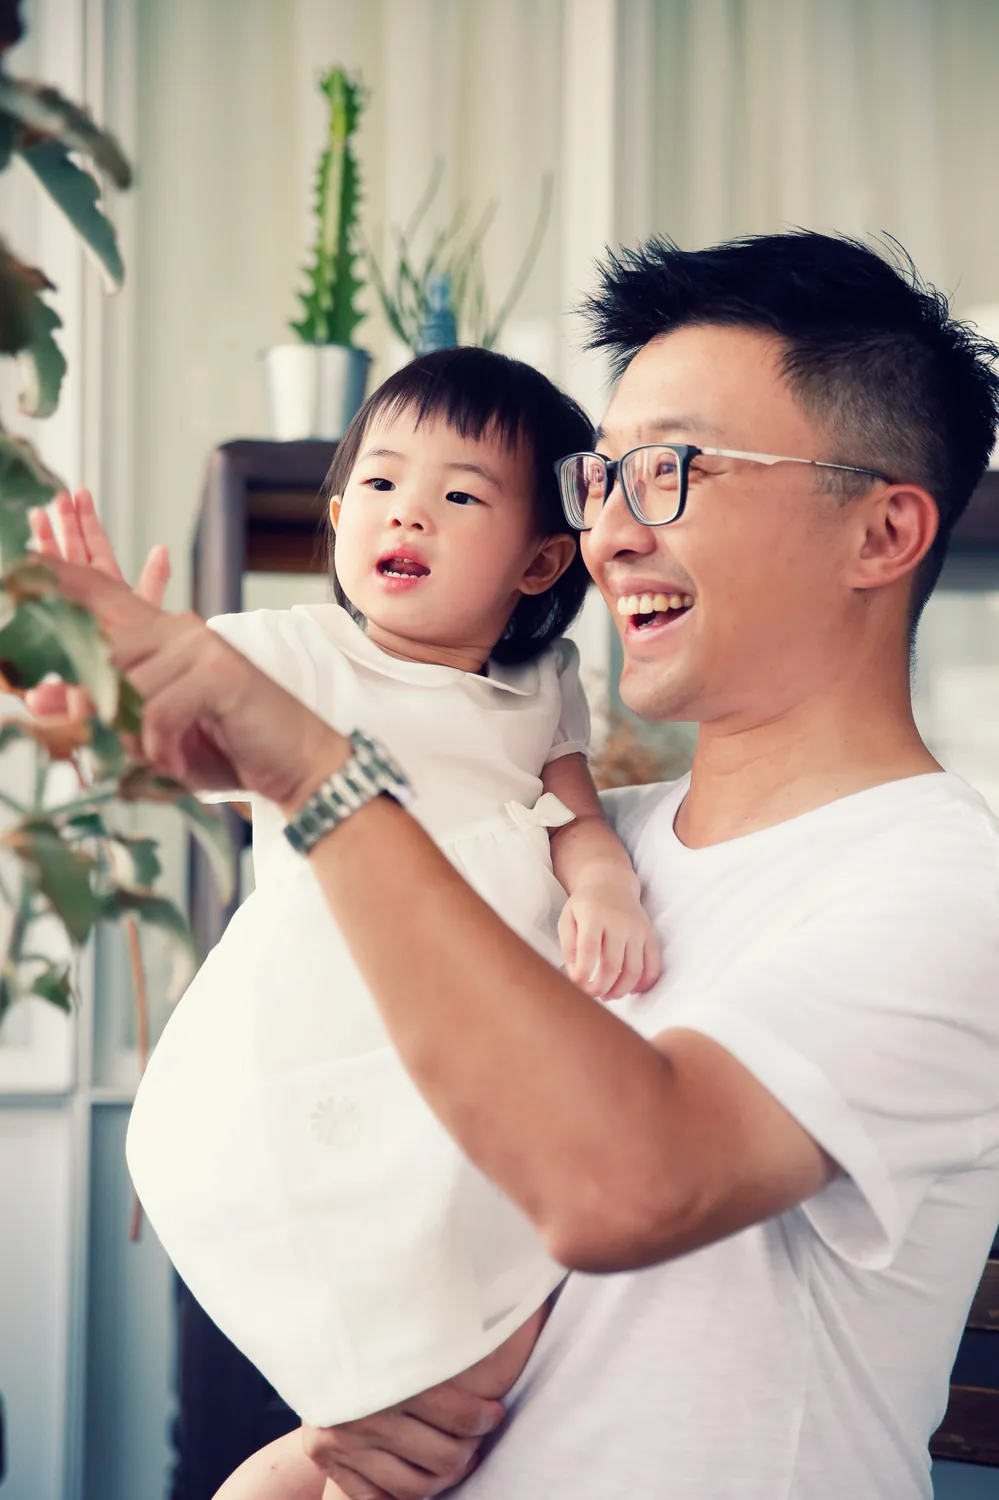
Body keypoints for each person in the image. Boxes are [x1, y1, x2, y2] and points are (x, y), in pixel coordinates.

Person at [36, 229, 999, 1500]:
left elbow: (626, 1182)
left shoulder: (941, 885)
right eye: (601, 478)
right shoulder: (565, 840)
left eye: (668, 472)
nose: (608, 533)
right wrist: (335, 1435)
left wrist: (319, 772)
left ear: (883, 532)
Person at [30, 347, 661, 1499]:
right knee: (414, 1400)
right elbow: (163, 730)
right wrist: (96, 684)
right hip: (325, 1059)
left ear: (540, 560)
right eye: (378, 484)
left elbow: (573, 813)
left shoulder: (546, 685)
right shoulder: (294, 655)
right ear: (335, 520)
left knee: (475, 1356)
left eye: (460, 494)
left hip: (469, 1071)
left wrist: (604, 884)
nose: (406, 509)